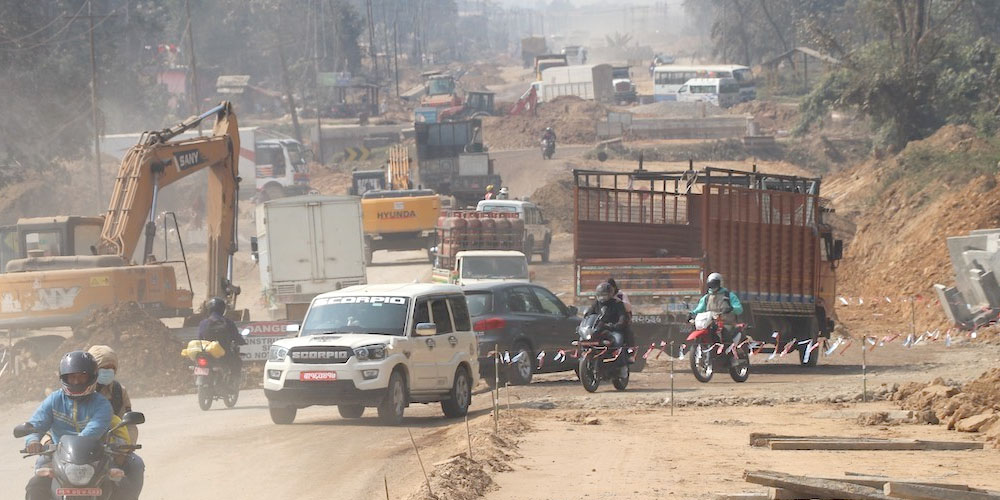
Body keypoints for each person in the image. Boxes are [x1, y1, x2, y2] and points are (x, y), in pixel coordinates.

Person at [23, 351, 112, 500]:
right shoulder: (54, 400)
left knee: (117, 482)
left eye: (81, 376)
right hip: (57, 457)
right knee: (35, 485)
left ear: (92, 377)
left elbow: (94, 429)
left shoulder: (102, 404)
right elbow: (37, 423)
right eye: (72, 377)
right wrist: (32, 440)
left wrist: (76, 448)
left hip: (94, 458)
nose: (76, 382)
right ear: (64, 378)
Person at [86, 345, 145, 500]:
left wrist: (126, 448)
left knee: (136, 465)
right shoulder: (81, 388)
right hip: (82, 447)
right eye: (103, 368)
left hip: (112, 448)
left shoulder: (119, 391)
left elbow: (128, 423)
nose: (108, 371)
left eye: (112, 368)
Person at [198, 297, 247, 388]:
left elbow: (199, 338)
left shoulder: (203, 323)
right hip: (225, 354)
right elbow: (236, 336)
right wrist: (242, 341)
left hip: (208, 354)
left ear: (209, 309)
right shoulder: (228, 323)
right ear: (222, 309)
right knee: (237, 362)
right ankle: (233, 382)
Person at [584, 282, 629, 349]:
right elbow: (589, 315)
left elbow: (622, 318)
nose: (602, 298)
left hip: (612, 330)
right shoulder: (596, 303)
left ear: (610, 294)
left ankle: (618, 355)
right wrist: (585, 324)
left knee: (618, 341)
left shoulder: (617, 304)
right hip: (596, 330)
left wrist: (614, 326)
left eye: (604, 295)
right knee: (583, 339)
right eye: (600, 295)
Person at [606, 278, 635, 351]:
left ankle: (630, 348)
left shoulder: (621, 295)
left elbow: (628, 308)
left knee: (627, 330)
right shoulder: (605, 295)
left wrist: (619, 302)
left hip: (621, 318)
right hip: (608, 319)